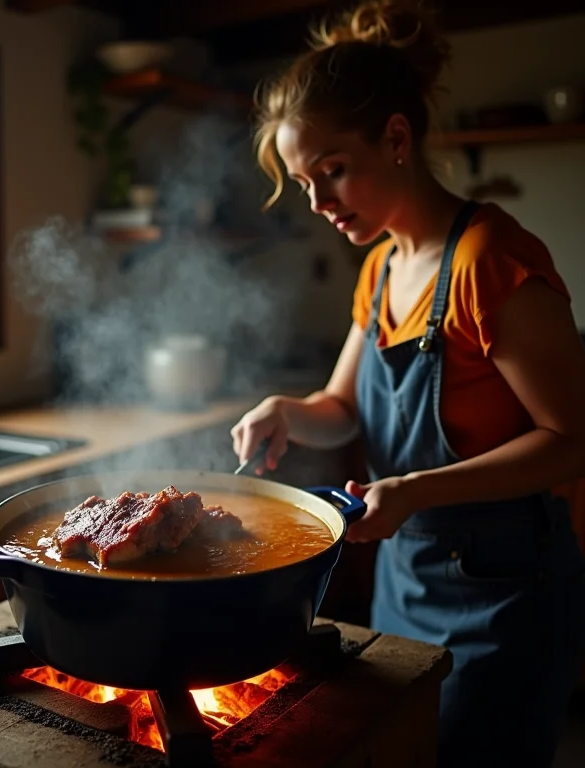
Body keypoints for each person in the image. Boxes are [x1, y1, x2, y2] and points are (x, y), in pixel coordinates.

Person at [230, 1, 585, 765]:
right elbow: (340, 406)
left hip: (507, 592)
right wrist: (288, 412)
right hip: (407, 580)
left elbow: (571, 442)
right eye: (304, 182)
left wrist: (416, 490)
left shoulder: (490, 259)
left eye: (333, 171)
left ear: (395, 139)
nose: (319, 202)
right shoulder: (383, 266)